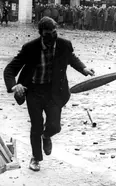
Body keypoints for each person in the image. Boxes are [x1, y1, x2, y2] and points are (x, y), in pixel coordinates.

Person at [3, 17, 95, 172]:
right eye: (47, 34)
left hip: (54, 92)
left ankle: (46, 136)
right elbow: (10, 70)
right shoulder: (30, 48)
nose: (52, 37)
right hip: (34, 91)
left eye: (54, 33)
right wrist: (14, 86)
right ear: (41, 34)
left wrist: (83, 68)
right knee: (36, 126)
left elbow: (71, 58)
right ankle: (36, 158)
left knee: (55, 126)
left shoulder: (63, 45)